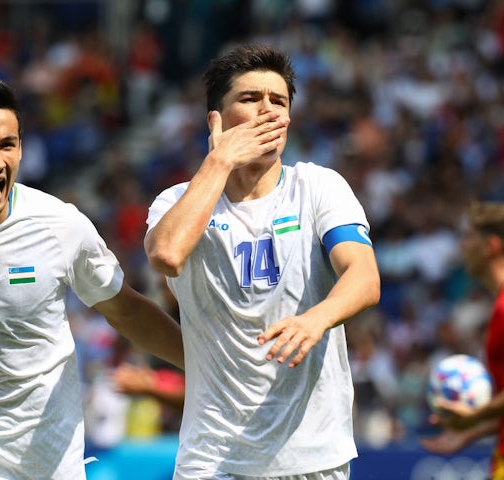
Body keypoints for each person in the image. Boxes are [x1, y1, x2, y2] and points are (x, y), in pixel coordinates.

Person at [0, 77, 184, 480]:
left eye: (8, 144)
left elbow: (126, 311)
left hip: (45, 463)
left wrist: (207, 366)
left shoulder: (60, 225)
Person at [145, 44, 381, 480]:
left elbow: (364, 277)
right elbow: (168, 254)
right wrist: (219, 161)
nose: (267, 111)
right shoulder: (176, 201)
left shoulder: (318, 188)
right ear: (215, 118)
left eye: (279, 101)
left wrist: (317, 319)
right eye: (250, 99)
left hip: (311, 454)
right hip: (212, 458)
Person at [421, 201, 504, 480]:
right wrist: (473, 430)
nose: (463, 246)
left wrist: (477, 414)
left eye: (469, 237)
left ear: (490, 246)